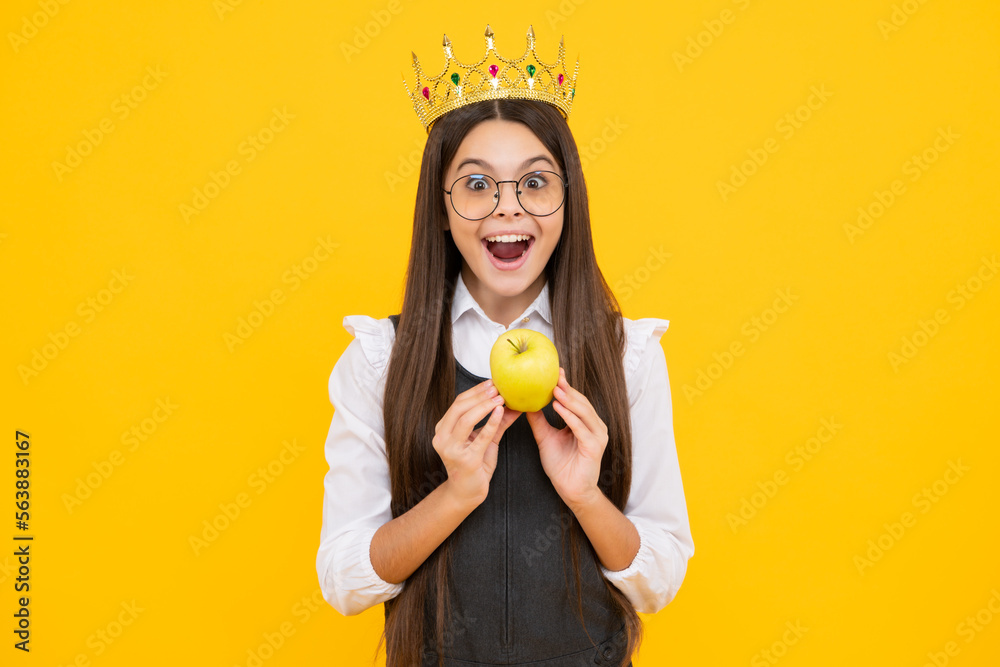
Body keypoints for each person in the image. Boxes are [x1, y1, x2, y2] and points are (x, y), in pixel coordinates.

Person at [316, 25, 694, 667]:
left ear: (567, 201)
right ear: (440, 207)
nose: (508, 210)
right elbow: (345, 580)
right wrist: (457, 492)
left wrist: (584, 494)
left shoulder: (626, 354)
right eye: (476, 184)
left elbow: (659, 578)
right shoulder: (382, 357)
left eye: (536, 183)